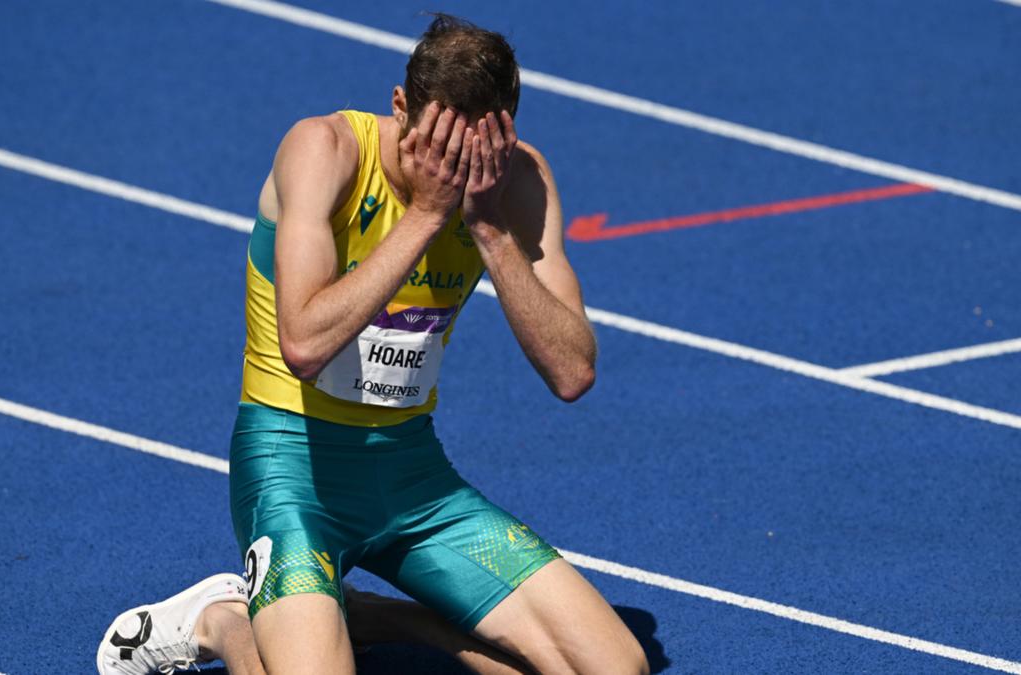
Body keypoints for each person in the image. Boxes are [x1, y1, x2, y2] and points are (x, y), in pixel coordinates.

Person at [97, 14, 649, 675]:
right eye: (441, 148)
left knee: (616, 669)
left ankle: (368, 614)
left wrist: (492, 233)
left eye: (478, 152)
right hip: (292, 468)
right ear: (398, 107)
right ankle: (227, 619)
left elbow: (572, 371)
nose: (459, 169)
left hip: (412, 478)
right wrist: (423, 215)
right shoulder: (325, 150)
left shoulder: (514, 184)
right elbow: (303, 341)